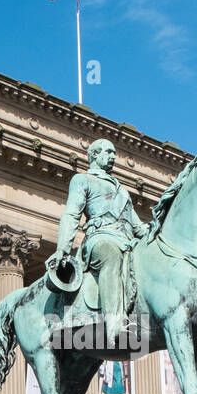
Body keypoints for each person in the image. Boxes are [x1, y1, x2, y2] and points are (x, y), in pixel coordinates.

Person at [49, 139, 150, 347]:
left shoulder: (123, 192)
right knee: (110, 254)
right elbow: (71, 214)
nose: (113, 157)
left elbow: (138, 227)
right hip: (100, 238)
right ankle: (113, 324)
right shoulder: (82, 180)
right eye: (108, 152)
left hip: (126, 240)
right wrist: (62, 248)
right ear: (94, 155)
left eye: (114, 153)